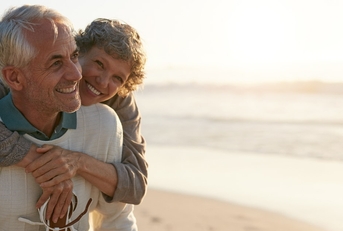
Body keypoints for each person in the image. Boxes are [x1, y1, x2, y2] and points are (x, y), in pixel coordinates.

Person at [0, 5, 146, 230]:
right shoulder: (10, 76)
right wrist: (44, 164)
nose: (104, 82)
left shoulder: (113, 110)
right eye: (99, 64)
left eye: (118, 78)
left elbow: (134, 185)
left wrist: (77, 162)